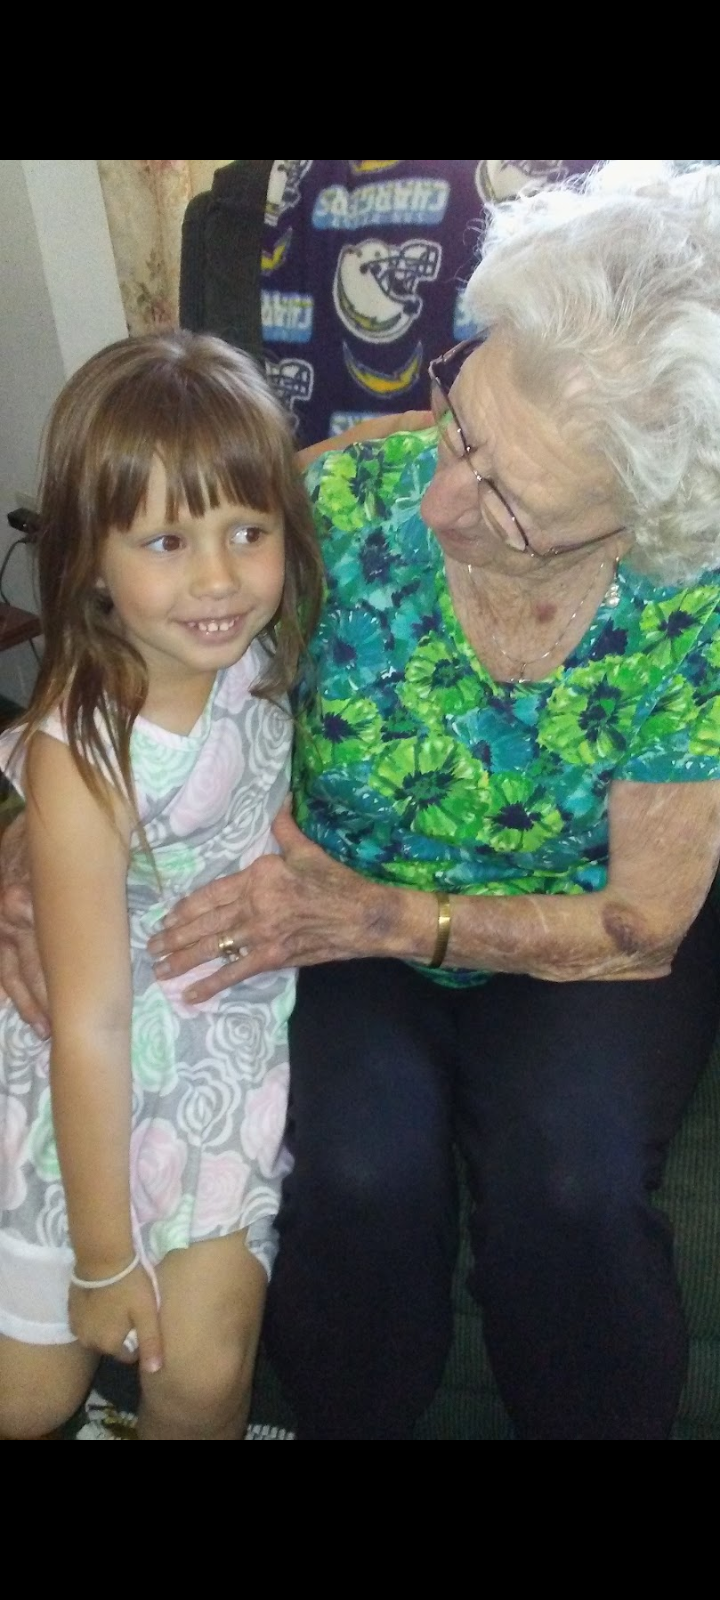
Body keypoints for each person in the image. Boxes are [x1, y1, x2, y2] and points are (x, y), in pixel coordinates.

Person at [4, 162, 720, 1442]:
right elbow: (134, 640)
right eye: (461, 420)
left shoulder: (695, 602)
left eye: (511, 501)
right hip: (322, 907)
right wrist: (32, 845)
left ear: (649, 512)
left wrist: (392, 916)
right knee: (354, 1167)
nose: (444, 495)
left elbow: (645, 920)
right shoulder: (344, 496)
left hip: (567, 939)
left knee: (574, 1180)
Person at [0, 330, 322, 1440]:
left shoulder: (264, 651)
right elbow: (86, 1020)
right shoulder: (79, 747)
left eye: (249, 530)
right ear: (91, 557)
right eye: (167, 541)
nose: (221, 577)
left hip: (220, 1046)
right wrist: (101, 1258)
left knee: (198, 1364)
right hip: (84, 1058)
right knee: (30, 1394)